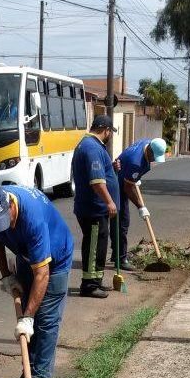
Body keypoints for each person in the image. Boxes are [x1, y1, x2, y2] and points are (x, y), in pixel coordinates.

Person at [0, 184, 74, 378]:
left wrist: (28, 318)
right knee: (27, 320)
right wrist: (7, 276)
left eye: (5, 221)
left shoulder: (32, 217)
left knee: (44, 321)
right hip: (25, 256)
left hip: (55, 261)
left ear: (11, 204)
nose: (3, 229)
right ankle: (28, 376)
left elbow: (42, 274)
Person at [72, 114, 120, 298]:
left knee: (99, 245)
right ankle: (89, 285)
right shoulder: (92, 148)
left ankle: (96, 281)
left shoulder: (90, 145)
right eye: (110, 132)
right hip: (93, 208)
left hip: (95, 208)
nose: (110, 135)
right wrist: (109, 201)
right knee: (93, 247)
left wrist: (112, 168)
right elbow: (97, 181)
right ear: (106, 130)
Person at [110, 137, 167, 270]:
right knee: (121, 223)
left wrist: (135, 178)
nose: (154, 161)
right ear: (150, 151)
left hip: (123, 176)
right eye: (154, 157)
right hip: (117, 186)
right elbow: (127, 188)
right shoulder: (136, 163)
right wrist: (141, 207)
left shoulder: (146, 142)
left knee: (118, 223)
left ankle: (116, 254)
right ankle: (121, 259)